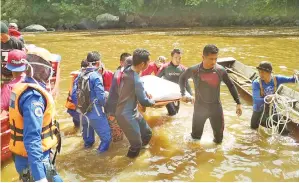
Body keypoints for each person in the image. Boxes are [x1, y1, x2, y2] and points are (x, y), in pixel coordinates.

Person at [8, 51, 62, 182]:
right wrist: (40, 177)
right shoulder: (33, 97)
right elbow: (32, 138)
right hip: (33, 161)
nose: (49, 73)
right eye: (47, 68)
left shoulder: (23, 87)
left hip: (28, 157)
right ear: (39, 70)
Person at [179, 44, 242, 144]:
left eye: (215, 59)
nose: (213, 62)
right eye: (211, 59)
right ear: (203, 57)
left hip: (216, 108)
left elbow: (230, 85)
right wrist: (183, 93)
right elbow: (182, 78)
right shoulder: (194, 70)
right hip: (200, 108)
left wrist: (238, 103)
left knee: (219, 141)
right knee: (195, 139)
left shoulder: (220, 70)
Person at [115, 49, 160, 158]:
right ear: (142, 64)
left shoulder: (127, 69)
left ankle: (142, 154)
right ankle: (127, 166)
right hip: (126, 115)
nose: (149, 64)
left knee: (147, 133)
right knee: (136, 144)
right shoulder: (136, 80)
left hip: (132, 111)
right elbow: (144, 101)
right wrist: (154, 102)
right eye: (148, 62)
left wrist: (144, 92)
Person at [72, 51, 111, 152]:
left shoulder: (80, 75)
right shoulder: (96, 76)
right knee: (106, 139)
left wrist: (80, 107)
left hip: (83, 113)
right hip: (95, 112)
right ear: (98, 63)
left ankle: (86, 155)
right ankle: (98, 161)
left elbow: (73, 94)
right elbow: (101, 97)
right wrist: (107, 110)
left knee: (88, 142)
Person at [250, 61, 299, 134]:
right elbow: (256, 100)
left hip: (272, 109)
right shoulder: (256, 83)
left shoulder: (277, 79)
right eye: (259, 72)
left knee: (281, 124)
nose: (260, 74)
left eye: (263, 72)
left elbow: (293, 80)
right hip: (259, 110)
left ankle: (284, 139)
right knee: (253, 129)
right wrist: (268, 98)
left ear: (269, 73)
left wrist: (296, 76)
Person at [105, 56, 133, 142]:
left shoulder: (117, 72)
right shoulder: (123, 76)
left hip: (112, 110)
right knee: (118, 139)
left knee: (118, 135)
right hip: (114, 111)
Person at [157, 49, 192, 116]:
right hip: (167, 94)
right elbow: (156, 79)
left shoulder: (183, 69)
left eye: (180, 58)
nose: (178, 60)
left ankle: (164, 120)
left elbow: (186, 83)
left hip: (177, 93)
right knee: (173, 113)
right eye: (176, 57)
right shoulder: (165, 67)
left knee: (176, 113)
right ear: (172, 57)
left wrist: (190, 95)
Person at [65, 60, 88, 127]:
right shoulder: (81, 77)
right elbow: (74, 95)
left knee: (77, 127)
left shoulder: (77, 76)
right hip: (77, 109)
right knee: (84, 128)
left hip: (72, 108)